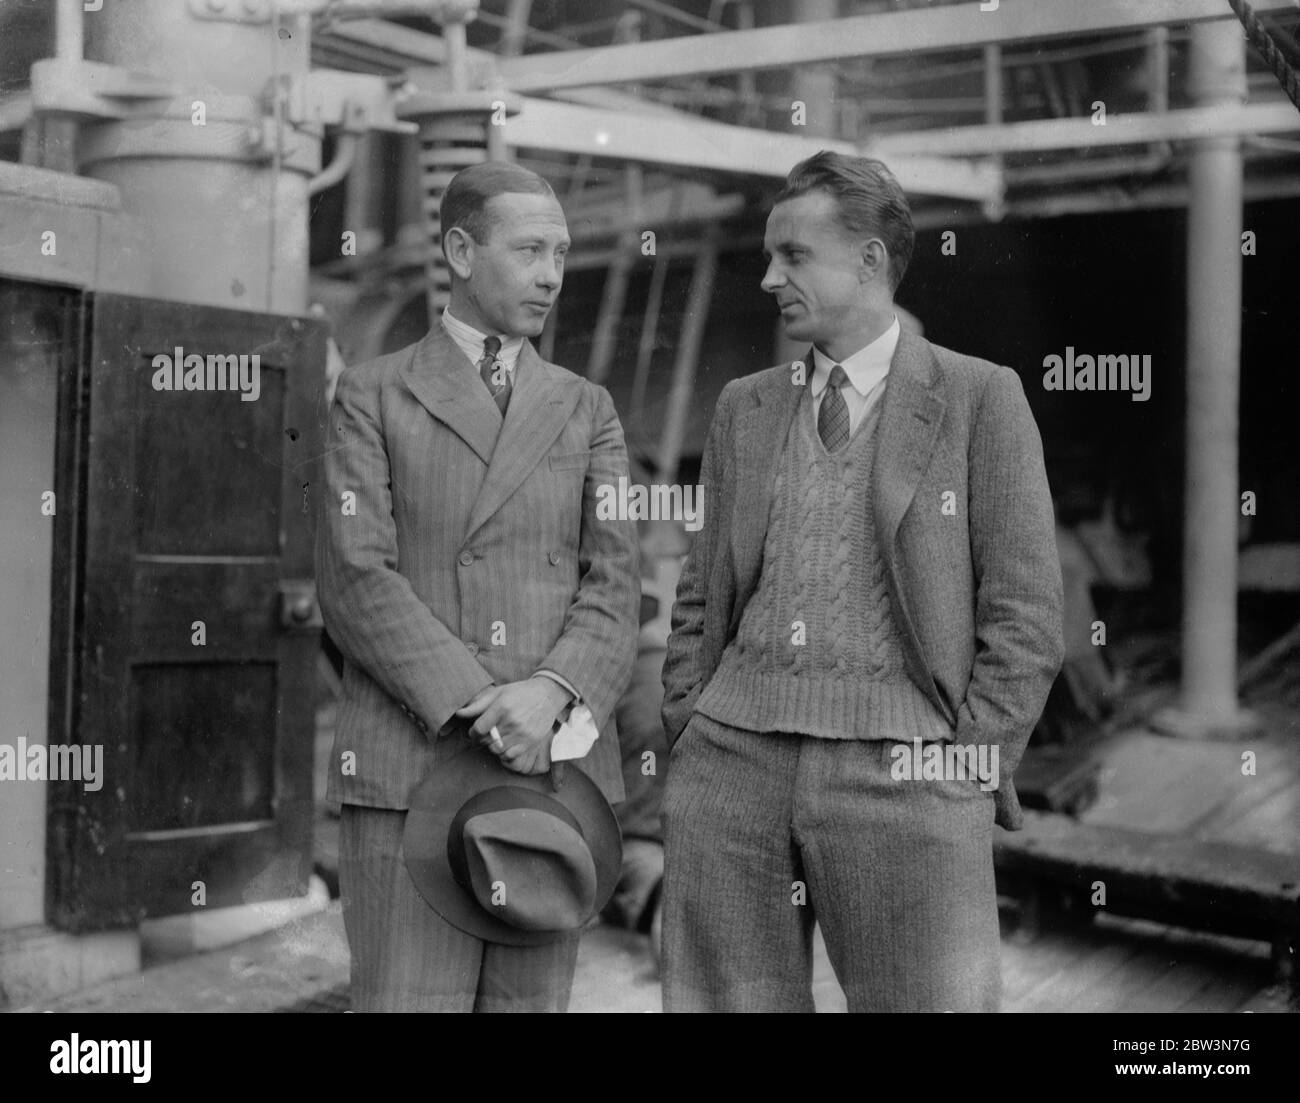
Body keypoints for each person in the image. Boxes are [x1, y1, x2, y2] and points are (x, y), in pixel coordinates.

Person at [659, 151, 1064, 1013]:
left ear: (871, 261)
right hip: (731, 765)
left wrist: (965, 769)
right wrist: (689, 723)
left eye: (794, 257)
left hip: (910, 775)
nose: (769, 278)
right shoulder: (745, 406)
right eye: (770, 257)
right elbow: (700, 592)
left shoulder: (978, 397)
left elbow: (1026, 615)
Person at [317, 161, 640, 1012]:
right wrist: (485, 703)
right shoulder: (372, 394)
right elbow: (356, 577)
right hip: (412, 769)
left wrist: (551, 696)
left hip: (549, 775)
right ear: (461, 250)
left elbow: (617, 579)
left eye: (562, 253)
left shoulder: (586, 407)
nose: (552, 275)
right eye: (530, 249)